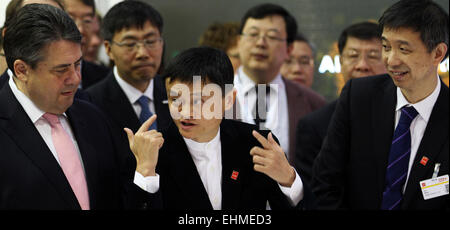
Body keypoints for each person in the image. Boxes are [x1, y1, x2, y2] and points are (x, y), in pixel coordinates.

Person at [0, 4, 162, 210]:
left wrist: (145, 173)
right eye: (61, 70)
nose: (75, 79)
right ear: (22, 70)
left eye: (78, 64)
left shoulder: (93, 116)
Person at [312, 0, 448, 210]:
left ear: (438, 53)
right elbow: (325, 182)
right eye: (385, 47)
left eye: (404, 49)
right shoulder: (358, 97)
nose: (391, 60)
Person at [146, 46, 314, 210]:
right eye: (175, 99)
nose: (186, 112)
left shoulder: (256, 144)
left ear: (228, 99)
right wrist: (144, 173)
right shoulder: (153, 151)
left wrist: (288, 179)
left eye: (198, 101)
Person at [294, 21, 387, 186]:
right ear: (341, 61)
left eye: (373, 56)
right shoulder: (314, 125)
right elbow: (312, 192)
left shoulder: (405, 117)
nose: (362, 65)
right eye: (353, 55)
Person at [234, 3, 325, 163]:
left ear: (288, 48)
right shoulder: (210, 96)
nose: (261, 43)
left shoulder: (313, 104)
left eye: (271, 36)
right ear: (238, 42)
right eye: (253, 34)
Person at [86, 1, 171, 149]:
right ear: (109, 49)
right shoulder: (90, 104)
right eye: (130, 44)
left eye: (151, 41)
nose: (143, 53)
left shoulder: (175, 93)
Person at [0, 0, 65, 89]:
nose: (51, 36)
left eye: (58, 24)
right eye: (34, 26)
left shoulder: (84, 98)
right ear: (8, 35)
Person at [63, 0, 110, 89]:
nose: (80, 29)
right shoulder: (38, 77)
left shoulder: (106, 79)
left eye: (87, 21)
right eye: (70, 19)